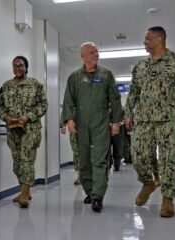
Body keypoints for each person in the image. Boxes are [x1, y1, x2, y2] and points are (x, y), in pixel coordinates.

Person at [124, 26, 175, 218]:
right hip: (144, 119)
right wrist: (128, 114)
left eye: (147, 39)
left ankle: (168, 199)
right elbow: (133, 92)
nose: (144, 42)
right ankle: (148, 183)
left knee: (168, 160)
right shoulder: (141, 66)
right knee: (138, 153)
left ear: (159, 39)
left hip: (169, 120)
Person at [61, 42, 123, 212]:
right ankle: (89, 191)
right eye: (91, 52)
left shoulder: (106, 75)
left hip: (101, 123)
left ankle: (98, 196)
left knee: (100, 159)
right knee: (84, 161)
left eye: (96, 52)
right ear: (83, 56)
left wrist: (116, 122)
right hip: (81, 124)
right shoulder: (74, 77)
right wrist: (68, 119)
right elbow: (68, 100)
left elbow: (115, 99)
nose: (96, 54)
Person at [0, 56, 48, 208]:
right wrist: (5, 117)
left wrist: (28, 117)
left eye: (20, 65)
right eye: (15, 66)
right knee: (17, 163)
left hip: (30, 129)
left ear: (26, 67)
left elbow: (44, 105)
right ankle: (24, 190)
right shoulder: (6, 86)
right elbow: (0, 107)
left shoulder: (35, 85)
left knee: (26, 160)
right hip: (13, 130)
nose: (17, 68)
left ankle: (25, 194)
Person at [60, 117, 81, 185]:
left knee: (88, 152)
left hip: (88, 129)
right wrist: (63, 125)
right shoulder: (71, 106)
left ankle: (90, 175)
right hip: (74, 129)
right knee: (76, 152)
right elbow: (66, 110)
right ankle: (80, 175)